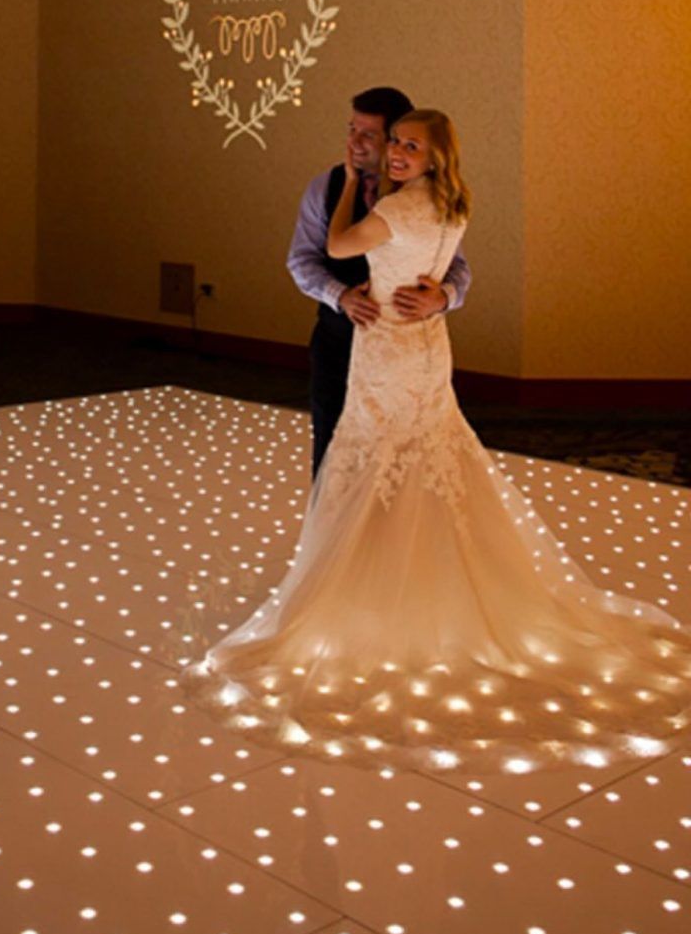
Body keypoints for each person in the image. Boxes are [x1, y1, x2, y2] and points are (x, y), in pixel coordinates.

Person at [182, 110, 691, 773]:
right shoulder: (451, 203)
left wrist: (382, 224)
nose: (393, 151)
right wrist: (400, 289)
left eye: (406, 144)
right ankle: (409, 580)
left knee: (377, 459)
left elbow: (344, 246)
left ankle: (370, 595)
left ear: (432, 155)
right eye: (390, 141)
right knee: (423, 458)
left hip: (392, 350)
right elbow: (347, 262)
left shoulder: (394, 206)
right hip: (415, 348)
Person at [287, 86, 472, 478]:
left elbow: (457, 267)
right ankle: (332, 533)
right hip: (340, 339)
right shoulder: (325, 187)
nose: (354, 142)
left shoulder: (422, 199)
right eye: (351, 129)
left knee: (400, 453)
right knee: (334, 445)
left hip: (399, 351)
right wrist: (341, 297)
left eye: (369, 134)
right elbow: (301, 259)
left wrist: (442, 298)